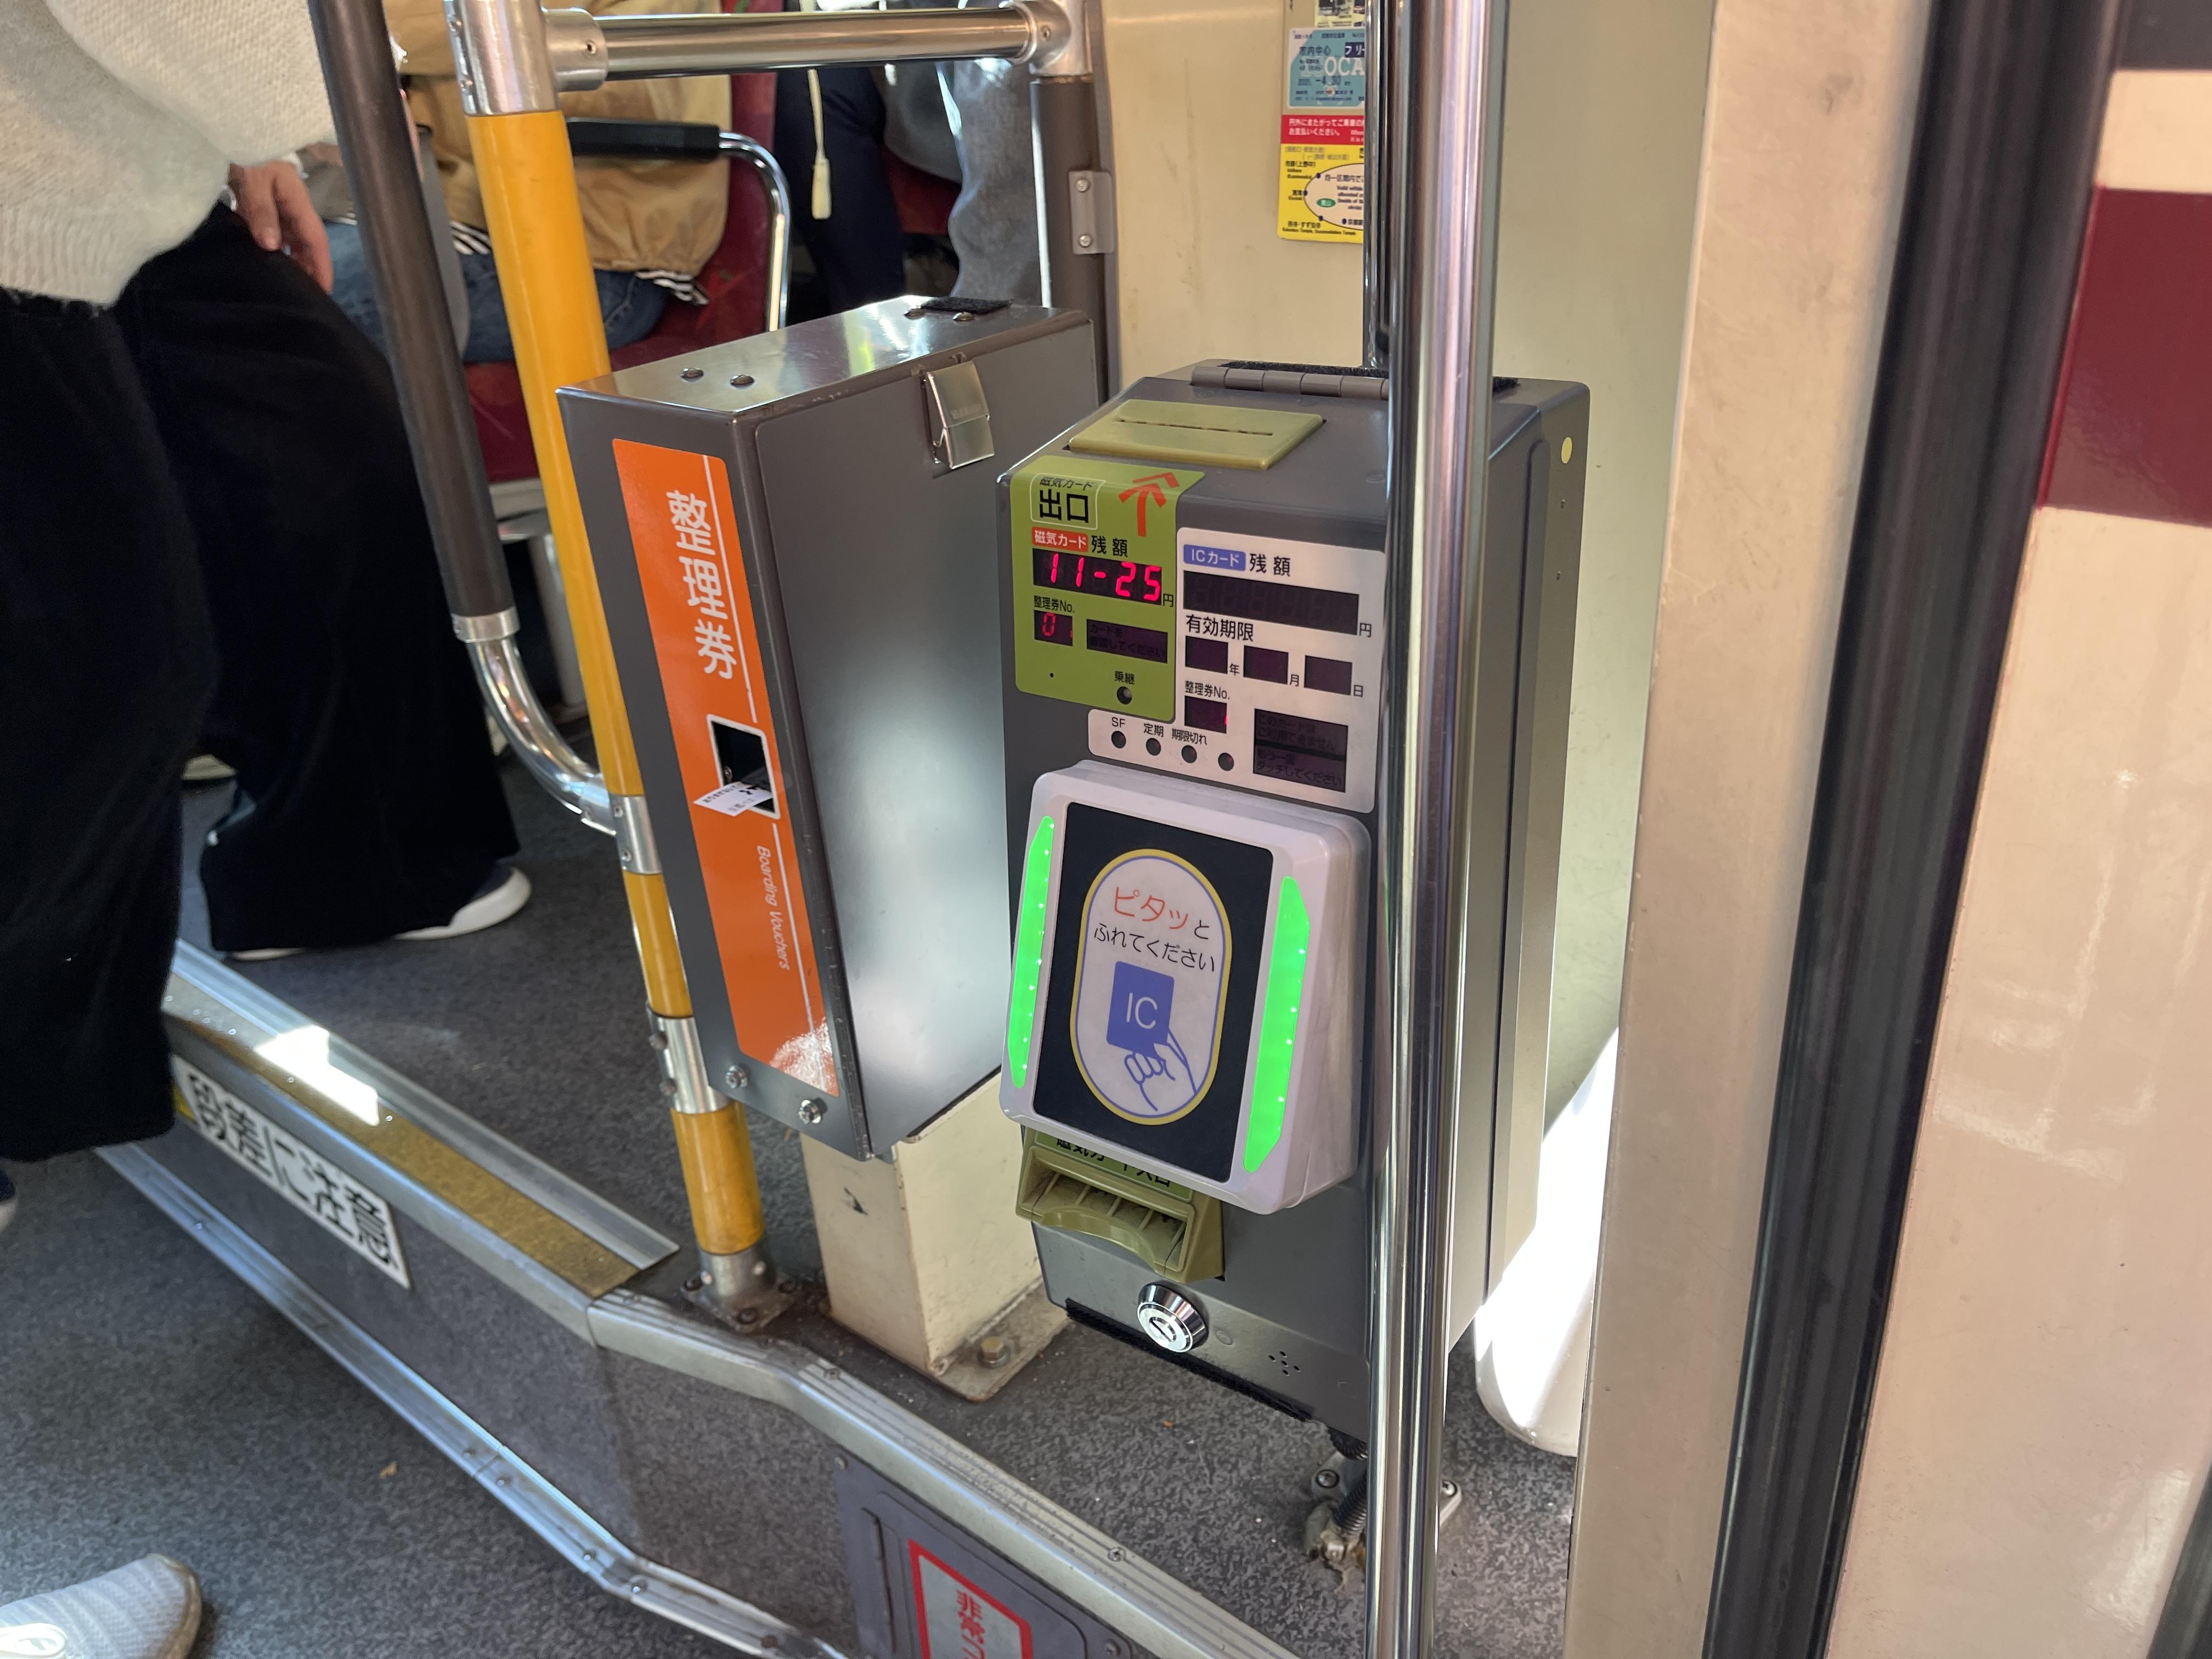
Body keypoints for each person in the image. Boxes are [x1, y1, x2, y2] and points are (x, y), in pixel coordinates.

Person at [2, 0, 526, 1192]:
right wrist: (305, 91)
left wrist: (254, 134)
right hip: (45, 174)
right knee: (94, 663)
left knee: (330, 453)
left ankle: (341, 868)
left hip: (111, 152)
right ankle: (37, 1053)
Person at [326, 0, 732, 360]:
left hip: (594, 261)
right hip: (450, 211)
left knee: (307, 304)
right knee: (291, 278)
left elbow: (368, 25)